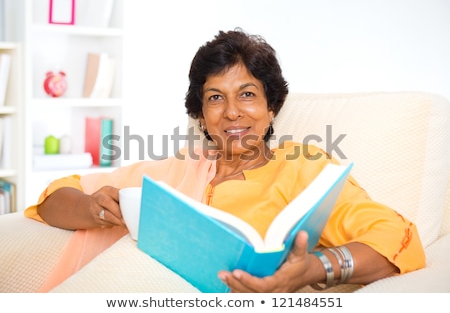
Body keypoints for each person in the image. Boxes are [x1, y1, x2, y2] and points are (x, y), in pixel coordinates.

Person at [25, 29, 425, 293]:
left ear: (272, 108)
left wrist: (314, 269)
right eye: (215, 98)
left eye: (247, 94)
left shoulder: (303, 166)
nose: (232, 112)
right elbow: (52, 197)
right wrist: (93, 208)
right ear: (201, 116)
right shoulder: (179, 167)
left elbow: (395, 237)